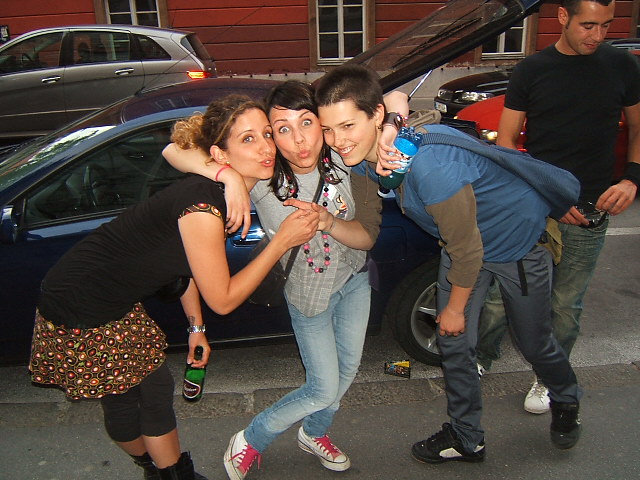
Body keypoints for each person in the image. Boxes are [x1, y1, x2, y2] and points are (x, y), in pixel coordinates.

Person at [29, 95, 318, 480]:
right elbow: (223, 299)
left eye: (267, 134)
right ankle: (168, 473)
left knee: (131, 394)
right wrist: (281, 242)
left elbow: (185, 269)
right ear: (220, 154)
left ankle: (156, 469)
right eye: (248, 139)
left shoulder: (216, 190)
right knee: (147, 392)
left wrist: (195, 327)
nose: (266, 147)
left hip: (105, 296)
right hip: (81, 303)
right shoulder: (204, 205)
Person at [313, 64, 583, 464]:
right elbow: (395, 99)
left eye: (348, 126)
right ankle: (466, 436)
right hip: (463, 246)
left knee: (533, 342)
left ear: (375, 117)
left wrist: (455, 309)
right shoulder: (368, 157)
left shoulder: (430, 167)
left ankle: (566, 397)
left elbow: (467, 248)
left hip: (515, 244)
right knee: (454, 345)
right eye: (328, 129)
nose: (338, 141)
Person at [163, 80, 383, 479]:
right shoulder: (264, 177)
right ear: (273, 135)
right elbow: (173, 151)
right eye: (282, 129)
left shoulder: (341, 154)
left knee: (347, 373)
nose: (299, 141)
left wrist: (394, 119)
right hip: (309, 298)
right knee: (322, 387)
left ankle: (314, 433)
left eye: (307, 123)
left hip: (354, 281)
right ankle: (253, 437)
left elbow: (384, 112)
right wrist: (228, 177)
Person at [476, 0, 640, 414]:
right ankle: (478, 359)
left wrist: (632, 179)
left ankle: (550, 377)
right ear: (563, 17)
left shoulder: (622, 65)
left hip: (591, 209)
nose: (598, 36)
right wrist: (548, 195)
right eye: (588, 25)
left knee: (566, 305)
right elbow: (506, 143)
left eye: (606, 25)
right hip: (535, 207)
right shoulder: (532, 69)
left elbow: (638, 128)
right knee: (500, 294)